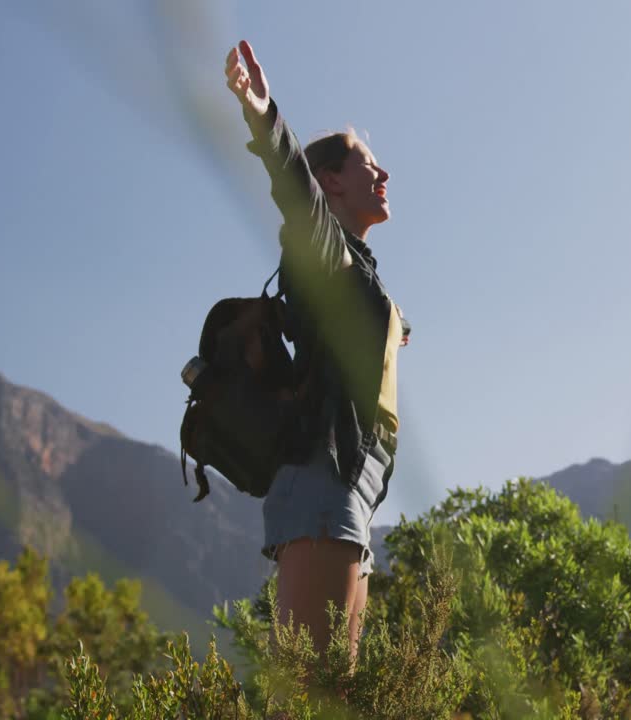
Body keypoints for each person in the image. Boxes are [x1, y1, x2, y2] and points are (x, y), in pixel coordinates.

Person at [224, 39, 408, 662]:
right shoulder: (321, 249)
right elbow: (294, 191)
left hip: (351, 487)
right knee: (310, 688)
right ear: (331, 181)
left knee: (335, 687)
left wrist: (392, 328)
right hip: (322, 482)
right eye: (369, 166)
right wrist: (264, 112)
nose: (384, 176)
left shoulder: (357, 271)